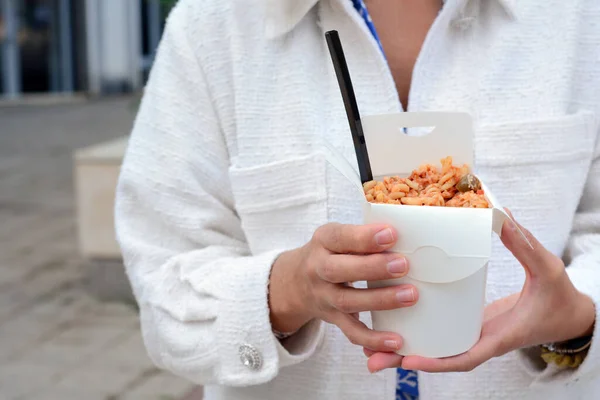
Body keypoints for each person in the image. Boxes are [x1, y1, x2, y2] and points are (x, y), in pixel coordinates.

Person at [114, 0, 600, 399]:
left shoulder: (579, 18)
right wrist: (284, 291)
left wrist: (579, 319)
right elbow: (164, 288)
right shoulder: (215, 26)